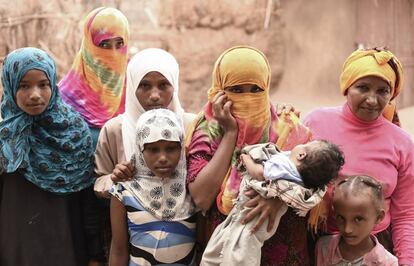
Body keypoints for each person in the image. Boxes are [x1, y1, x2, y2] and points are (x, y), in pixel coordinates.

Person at [186, 45, 313, 265]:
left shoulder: (289, 129)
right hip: (225, 255)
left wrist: (278, 198)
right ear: (219, 90)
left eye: (256, 89)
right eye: (236, 89)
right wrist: (230, 133)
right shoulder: (207, 131)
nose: (247, 97)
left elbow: (318, 181)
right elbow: (201, 198)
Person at [304, 48, 414, 264]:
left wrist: (407, 262)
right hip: (316, 241)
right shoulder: (315, 123)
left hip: (375, 249)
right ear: (347, 88)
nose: (372, 100)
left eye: (383, 91)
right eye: (363, 87)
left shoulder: (402, 143)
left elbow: (406, 214)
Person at [0, 47, 96, 265]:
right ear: (10, 85)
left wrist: (95, 254)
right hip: (15, 252)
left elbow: (87, 202)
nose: (35, 94)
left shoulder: (74, 133)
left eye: (43, 85)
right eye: (24, 86)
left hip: (68, 250)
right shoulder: (4, 138)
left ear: (53, 83)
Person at [201, 140, 344, 266]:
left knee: (242, 244)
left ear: (301, 155)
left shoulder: (283, 166)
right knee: (239, 241)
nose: (300, 144)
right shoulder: (306, 181)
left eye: (305, 145)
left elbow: (259, 173)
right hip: (266, 215)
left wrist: (246, 159)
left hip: (254, 212)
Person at [94, 47, 196, 197]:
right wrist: (113, 178)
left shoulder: (191, 126)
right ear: (133, 88)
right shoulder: (115, 130)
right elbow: (98, 182)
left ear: (174, 86)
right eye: (145, 86)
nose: (154, 95)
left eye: (163, 85)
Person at [109, 109, 197, 266]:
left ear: (182, 147)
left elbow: (202, 244)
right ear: (140, 149)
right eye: (153, 149)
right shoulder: (124, 191)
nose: (162, 158)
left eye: (171, 148)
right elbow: (118, 249)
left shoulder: (192, 188)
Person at [58, 6, 130, 148]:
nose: (114, 53)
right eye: (104, 44)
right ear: (89, 46)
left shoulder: (135, 90)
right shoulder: (62, 98)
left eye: (119, 44)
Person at [315, 175, 398, 265]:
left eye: (358, 219)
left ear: (379, 217)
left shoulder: (388, 262)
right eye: (341, 218)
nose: (347, 229)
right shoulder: (323, 247)